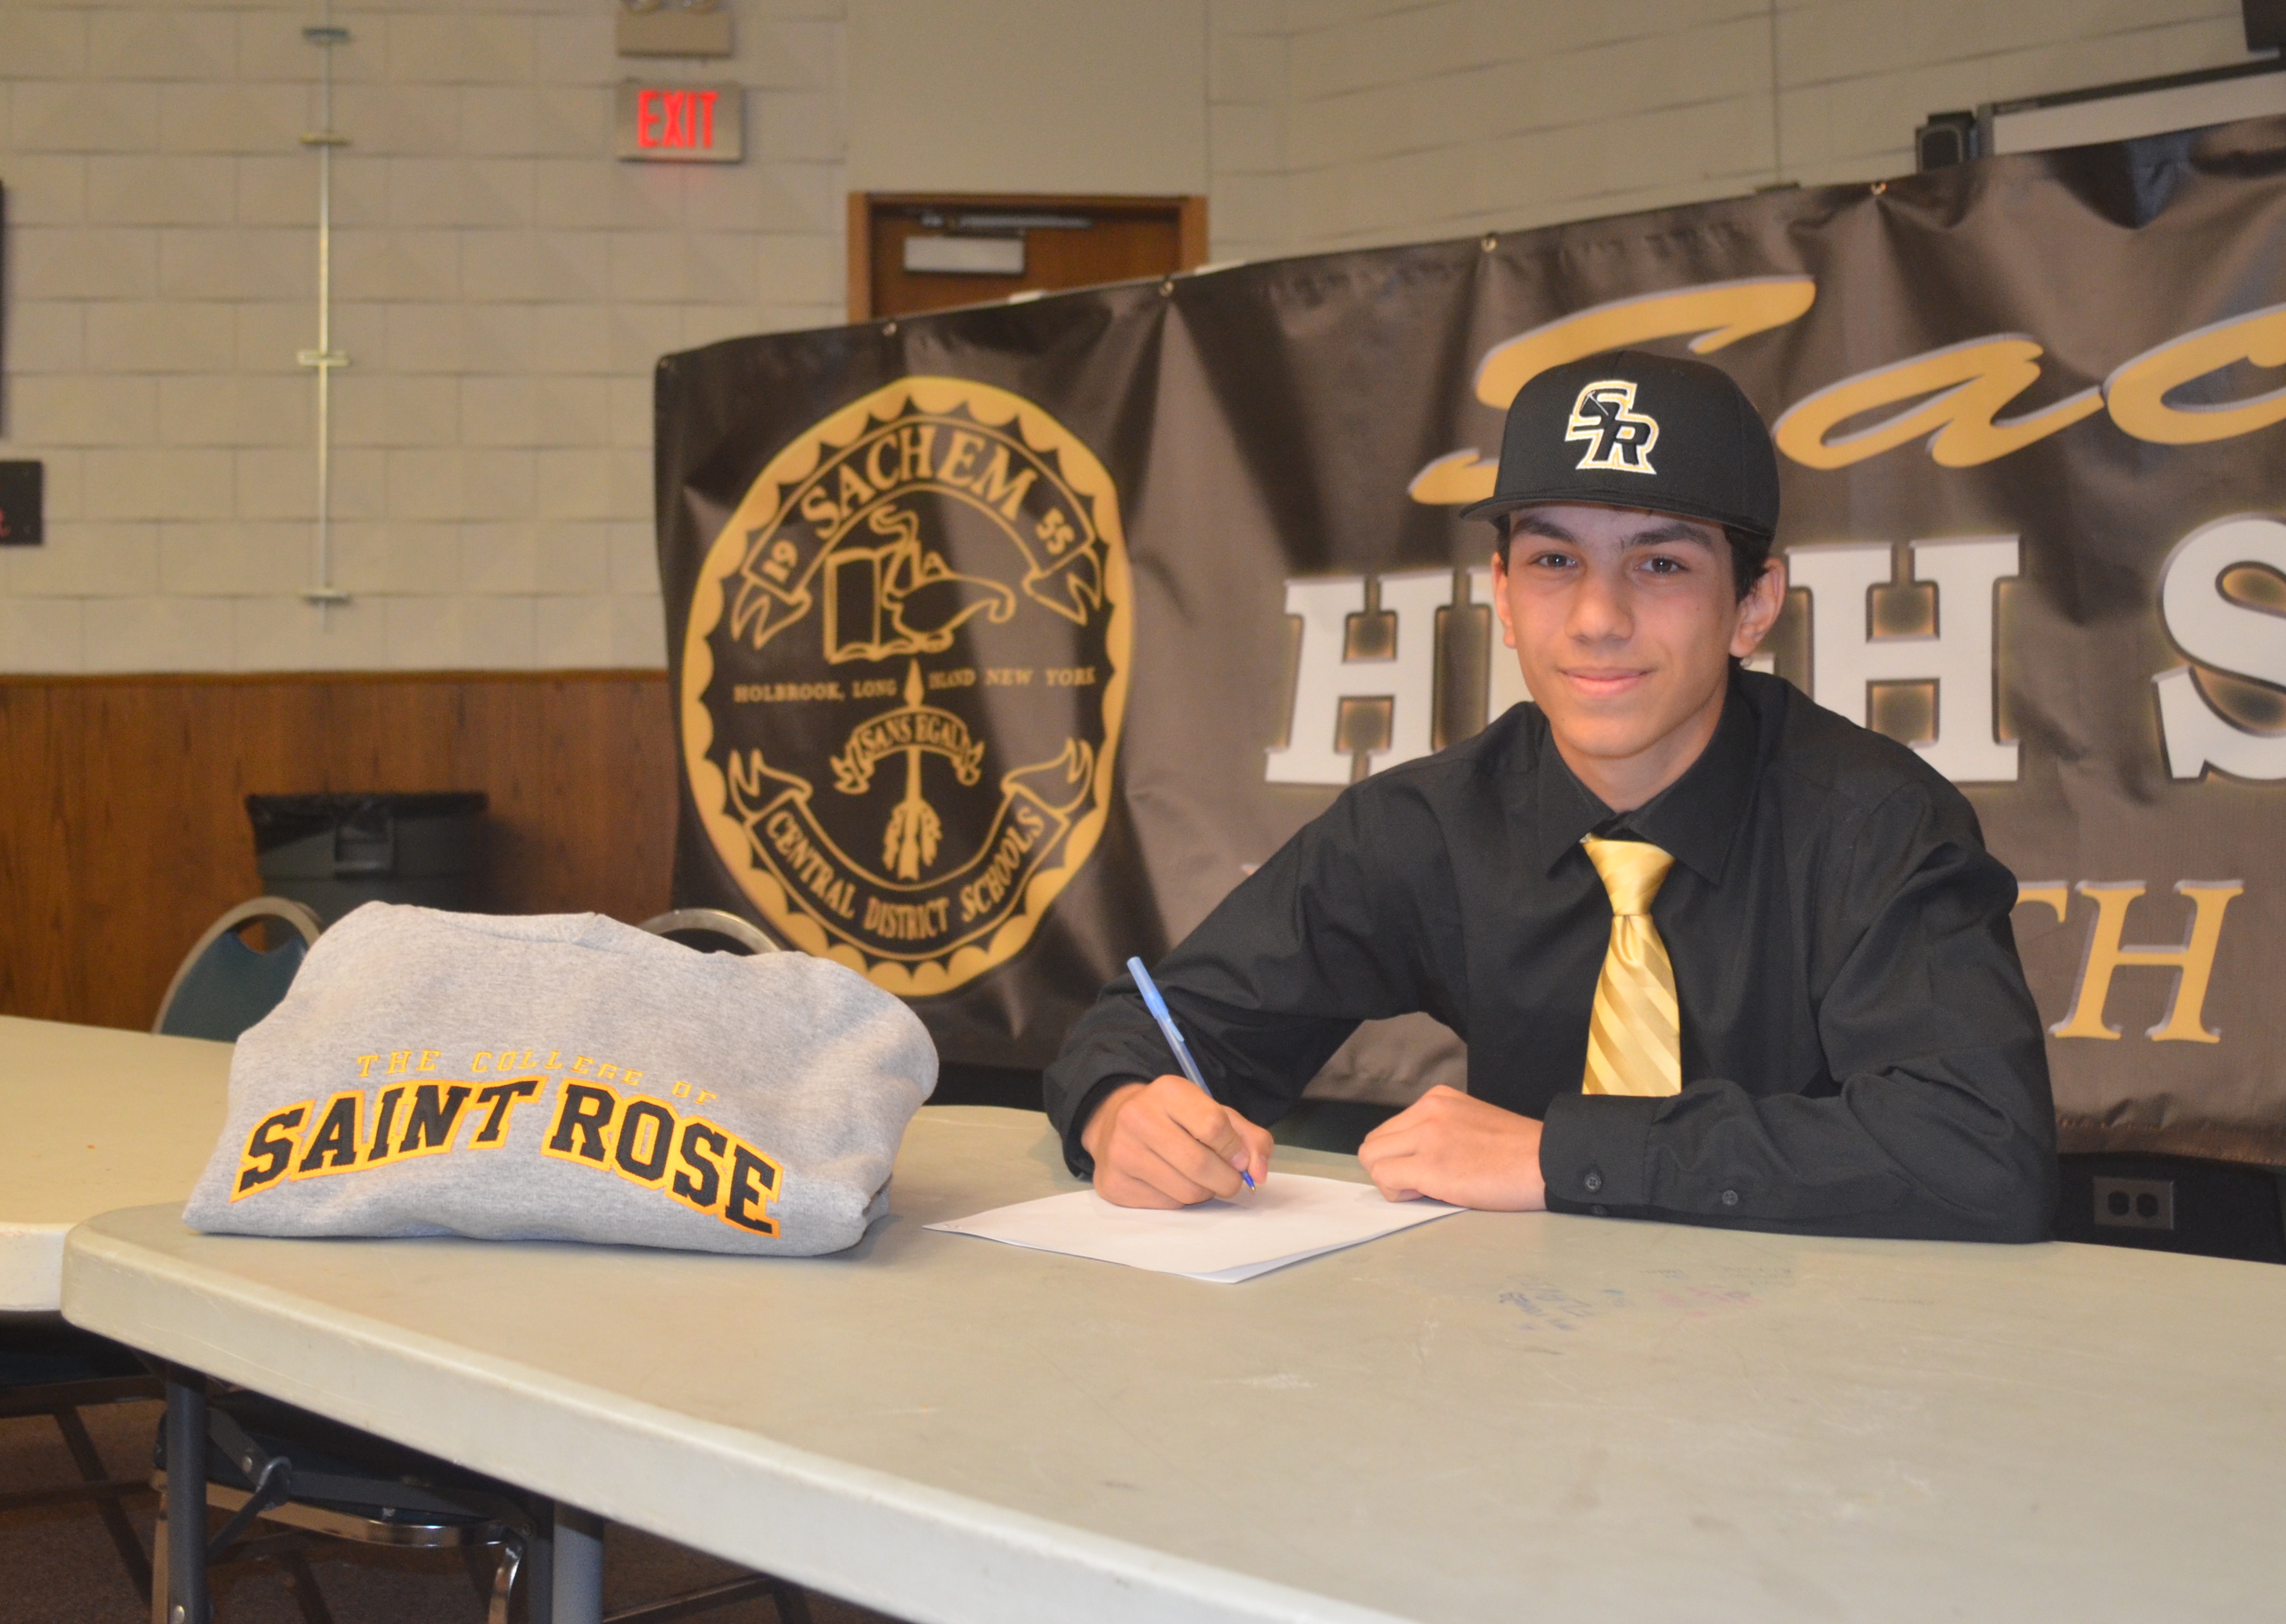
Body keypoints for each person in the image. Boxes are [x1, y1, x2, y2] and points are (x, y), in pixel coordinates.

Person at [1042, 348, 2056, 1241]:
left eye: (1660, 563)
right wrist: (1121, 1110)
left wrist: (1556, 1156)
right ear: (1501, 595)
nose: (1596, 617)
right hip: (1525, 1347)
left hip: (1826, 1357)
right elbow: (1153, 1026)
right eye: (1553, 561)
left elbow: (1979, 1148)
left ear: (1752, 606)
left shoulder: (1874, 823)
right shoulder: (1427, 825)